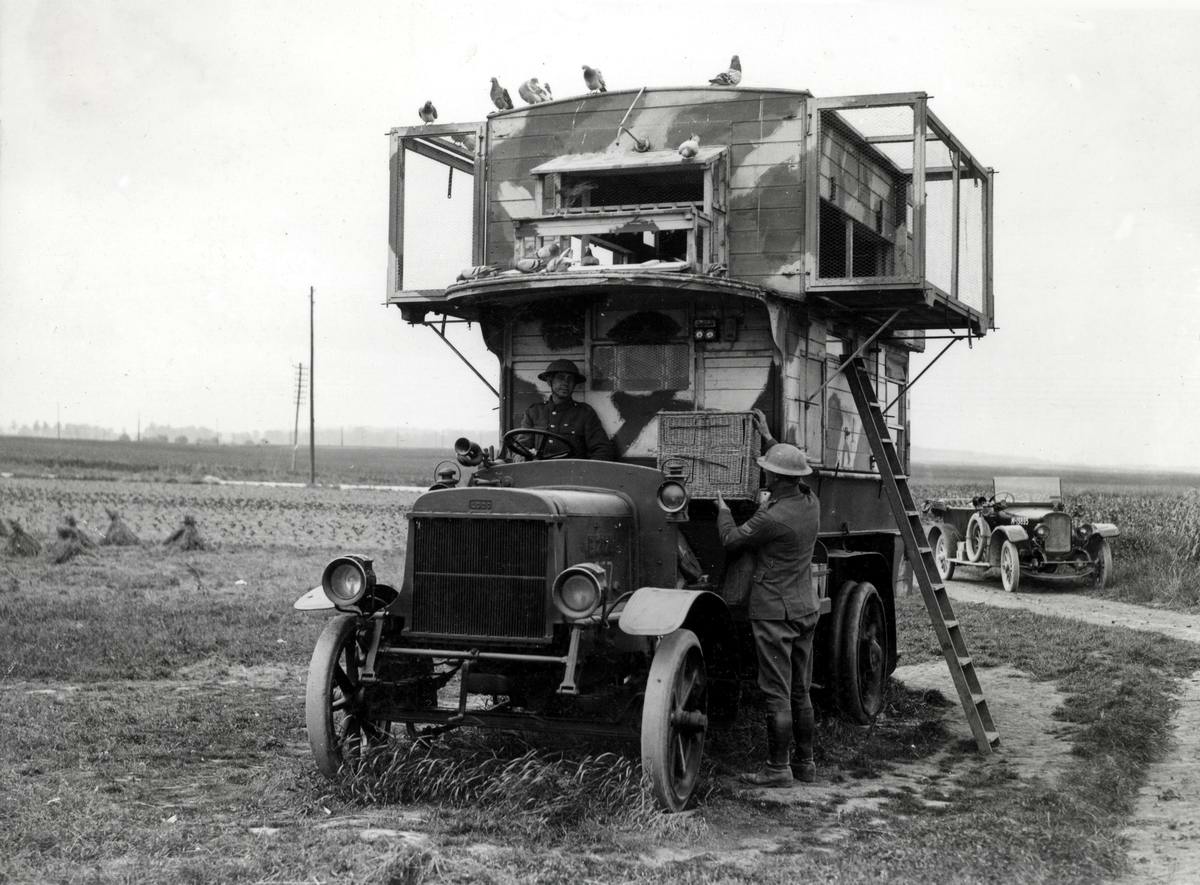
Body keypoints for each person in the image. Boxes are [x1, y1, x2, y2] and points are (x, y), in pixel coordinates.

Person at [716, 424, 820, 787]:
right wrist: (773, 441)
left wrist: (723, 509)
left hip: (774, 612)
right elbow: (799, 473)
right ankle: (805, 765)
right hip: (805, 608)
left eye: (768, 469)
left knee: (776, 691)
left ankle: (778, 770)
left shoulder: (770, 517)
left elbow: (731, 541)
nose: (763, 472)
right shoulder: (810, 501)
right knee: (800, 690)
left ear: (774, 477)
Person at [519, 359, 614, 460]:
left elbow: (602, 449)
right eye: (561, 378)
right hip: (540, 471)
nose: (565, 383)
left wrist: (586, 472)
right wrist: (521, 457)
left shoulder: (585, 413)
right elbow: (521, 446)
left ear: (574, 384)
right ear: (549, 381)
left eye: (570, 379)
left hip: (573, 473)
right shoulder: (534, 412)